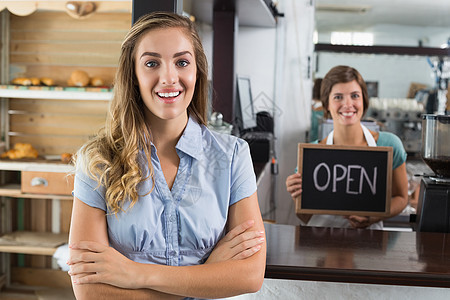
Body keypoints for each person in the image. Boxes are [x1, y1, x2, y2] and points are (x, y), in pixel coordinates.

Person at [67, 12, 266, 300]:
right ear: (133, 75)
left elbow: (249, 275)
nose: (169, 78)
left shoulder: (233, 156)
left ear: (197, 71)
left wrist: (135, 275)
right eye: (151, 63)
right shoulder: (98, 161)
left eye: (182, 62)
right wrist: (207, 275)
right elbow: (90, 291)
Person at [286, 65, 408, 229]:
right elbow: (305, 217)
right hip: (322, 247)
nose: (348, 104)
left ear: (364, 100)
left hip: (369, 246)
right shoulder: (311, 155)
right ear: (327, 104)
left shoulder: (389, 145)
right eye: (338, 97)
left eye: (355, 96)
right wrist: (296, 196)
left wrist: (373, 217)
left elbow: (401, 197)